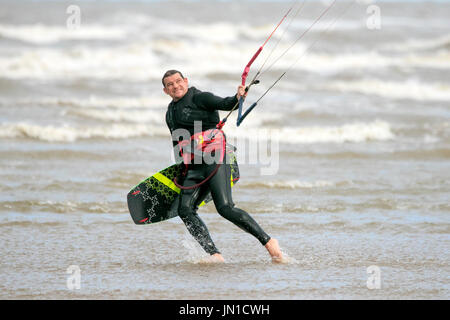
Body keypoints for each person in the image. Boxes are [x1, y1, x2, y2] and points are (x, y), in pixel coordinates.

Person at [163, 69, 284, 263]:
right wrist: (181, 167)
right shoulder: (170, 112)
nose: (176, 86)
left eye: (178, 81)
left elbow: (226, 103)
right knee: (184, 210)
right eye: (170, 84)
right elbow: (177, 143)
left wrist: (238, 96)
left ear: (186, 81)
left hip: (217, 158)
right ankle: (215, 255)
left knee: (225, 207)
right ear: (165, 90)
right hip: (193, 166)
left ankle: (269, 242)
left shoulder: (200, 98)